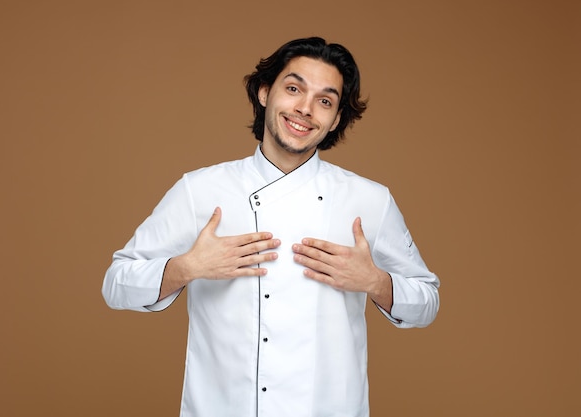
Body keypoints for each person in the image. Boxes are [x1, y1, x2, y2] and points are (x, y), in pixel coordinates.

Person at [102, 37, 440, 417]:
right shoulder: (200, 190)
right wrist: (185, 268)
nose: (305, 110)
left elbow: (427, 303)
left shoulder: (369, 200)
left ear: (337, 119)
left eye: (325, 101)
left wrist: (376, 282)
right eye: (294, 89)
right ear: (265, 92)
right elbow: (116, 285)